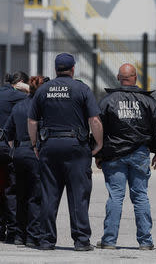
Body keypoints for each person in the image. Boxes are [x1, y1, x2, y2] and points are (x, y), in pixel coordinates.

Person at [28, 53, 103, 251]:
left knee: (49, 194)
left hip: (49, 146)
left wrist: (35, 144)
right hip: (76, 147)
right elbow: (94, 121)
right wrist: (99, 143)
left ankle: (46, 240)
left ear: (55, 69)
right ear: (72, 69)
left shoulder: (43, 90)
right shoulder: (81, 88)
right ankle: (81, 241)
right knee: (78, 194)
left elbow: (32, 122)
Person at [95, 63, 156, 250]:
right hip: (140, 154)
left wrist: (97, 152)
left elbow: (98, 128)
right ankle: (145, 242)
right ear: (135, 78)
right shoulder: (148, 101)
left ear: (119, 78)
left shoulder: (108, 100)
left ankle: (109, 241)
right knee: (141, 196)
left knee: (115, 197)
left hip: (113, 155)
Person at [3, 76, 48, 247]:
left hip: (19, 153)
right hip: (35, 152)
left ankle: (19, 236)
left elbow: (7, 132)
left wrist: (15, 148)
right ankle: (32, 236)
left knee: (21, 195)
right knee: (35, 196)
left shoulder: (18, 106)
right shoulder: (43, 107)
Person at [0, 71, 29, 244]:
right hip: (6, 146)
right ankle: (13, 233)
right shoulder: (16, 95)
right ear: (19, 82)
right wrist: (27, 88)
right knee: (12, 190)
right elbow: (37, 97)